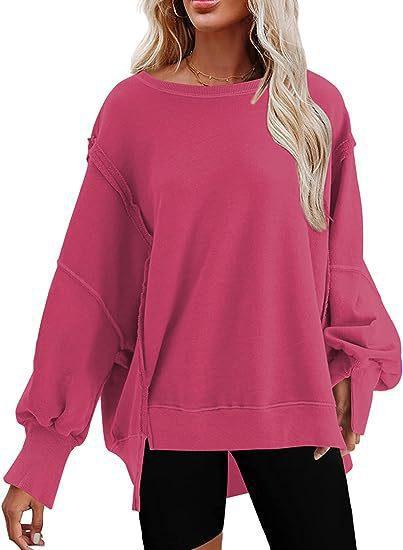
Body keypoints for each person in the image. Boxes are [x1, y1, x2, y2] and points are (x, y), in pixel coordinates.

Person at [2, 1, 401, 549]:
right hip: (174, 413)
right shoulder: (133, 110)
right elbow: (91, 285)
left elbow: (341, 258)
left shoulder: (314, 107)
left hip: (290, 397)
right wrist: (42, 451)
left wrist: (355, 358)